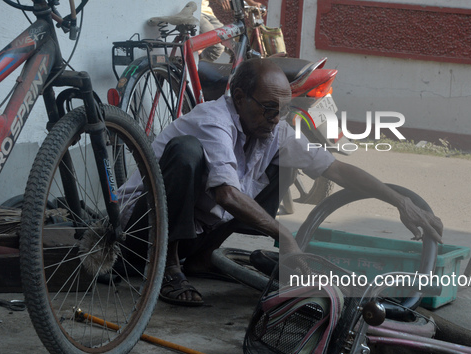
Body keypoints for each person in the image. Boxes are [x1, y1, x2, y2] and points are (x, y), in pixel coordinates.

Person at [120, 58, 443, 306]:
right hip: (139, 236)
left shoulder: (273, 128)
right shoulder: (212, 120)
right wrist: (285, 236)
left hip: (197, 232)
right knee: (187, 152)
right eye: (269, 108)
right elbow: (227, 195)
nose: (276, 119)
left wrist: (401, 201)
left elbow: (336, 169)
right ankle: (168, 269)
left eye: (283, 110)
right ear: (240, 97)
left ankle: (203, 259)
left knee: (283, 164)